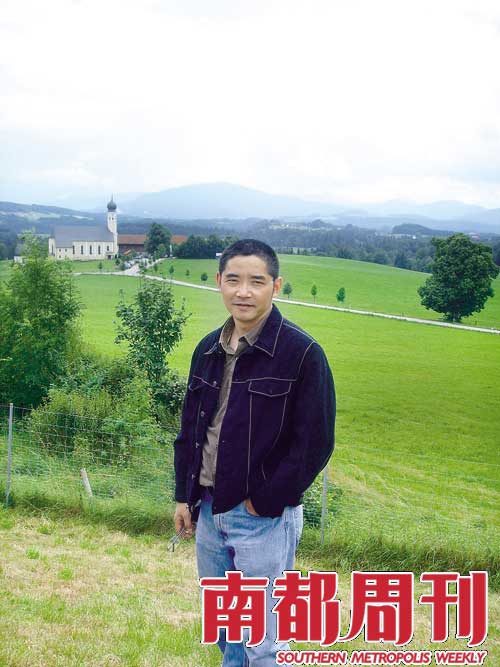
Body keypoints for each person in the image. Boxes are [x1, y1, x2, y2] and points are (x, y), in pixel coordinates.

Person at [173, 239, 335, 666]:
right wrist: (183, 496)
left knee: (263, 640)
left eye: (256, 282)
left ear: (276, 286)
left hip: (263, 517)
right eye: (233, 280)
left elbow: (314, 443)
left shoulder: (302, 354)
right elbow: (190, 431)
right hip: (209, 510)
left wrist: (263, 501)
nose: (243, 292)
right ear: (219, 282)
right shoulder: (208, 349)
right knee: (225, 627)